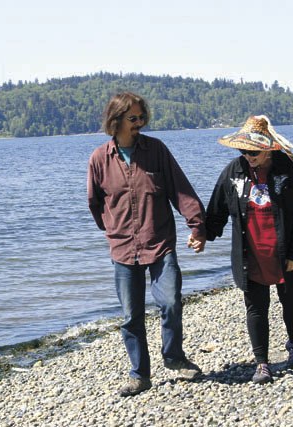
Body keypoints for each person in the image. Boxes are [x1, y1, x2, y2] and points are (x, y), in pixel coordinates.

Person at [87, 92, 207, 397]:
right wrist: (113, 230)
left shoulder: (156, 151)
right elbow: (95, 203)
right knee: (131, 317)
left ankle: (174, 358)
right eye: (134, 118)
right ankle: (140, 375)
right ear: (116, 121)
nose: (140, 123)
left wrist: (197, 226)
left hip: (160, 243)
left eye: (142, 118)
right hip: (123, 250)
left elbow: (182, 191)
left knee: (169, 301)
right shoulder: (100, 159)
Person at [205, 115, 293, 384]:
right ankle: (262, 363)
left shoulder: (291, 169)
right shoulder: (233, 171)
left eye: (253, 151)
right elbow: (216, 210)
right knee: (255, 307)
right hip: (249, 254)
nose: (248, 155)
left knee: (292, 301)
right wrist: (202, 234)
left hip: (284, 252)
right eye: (243, 150)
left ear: (268, 148)